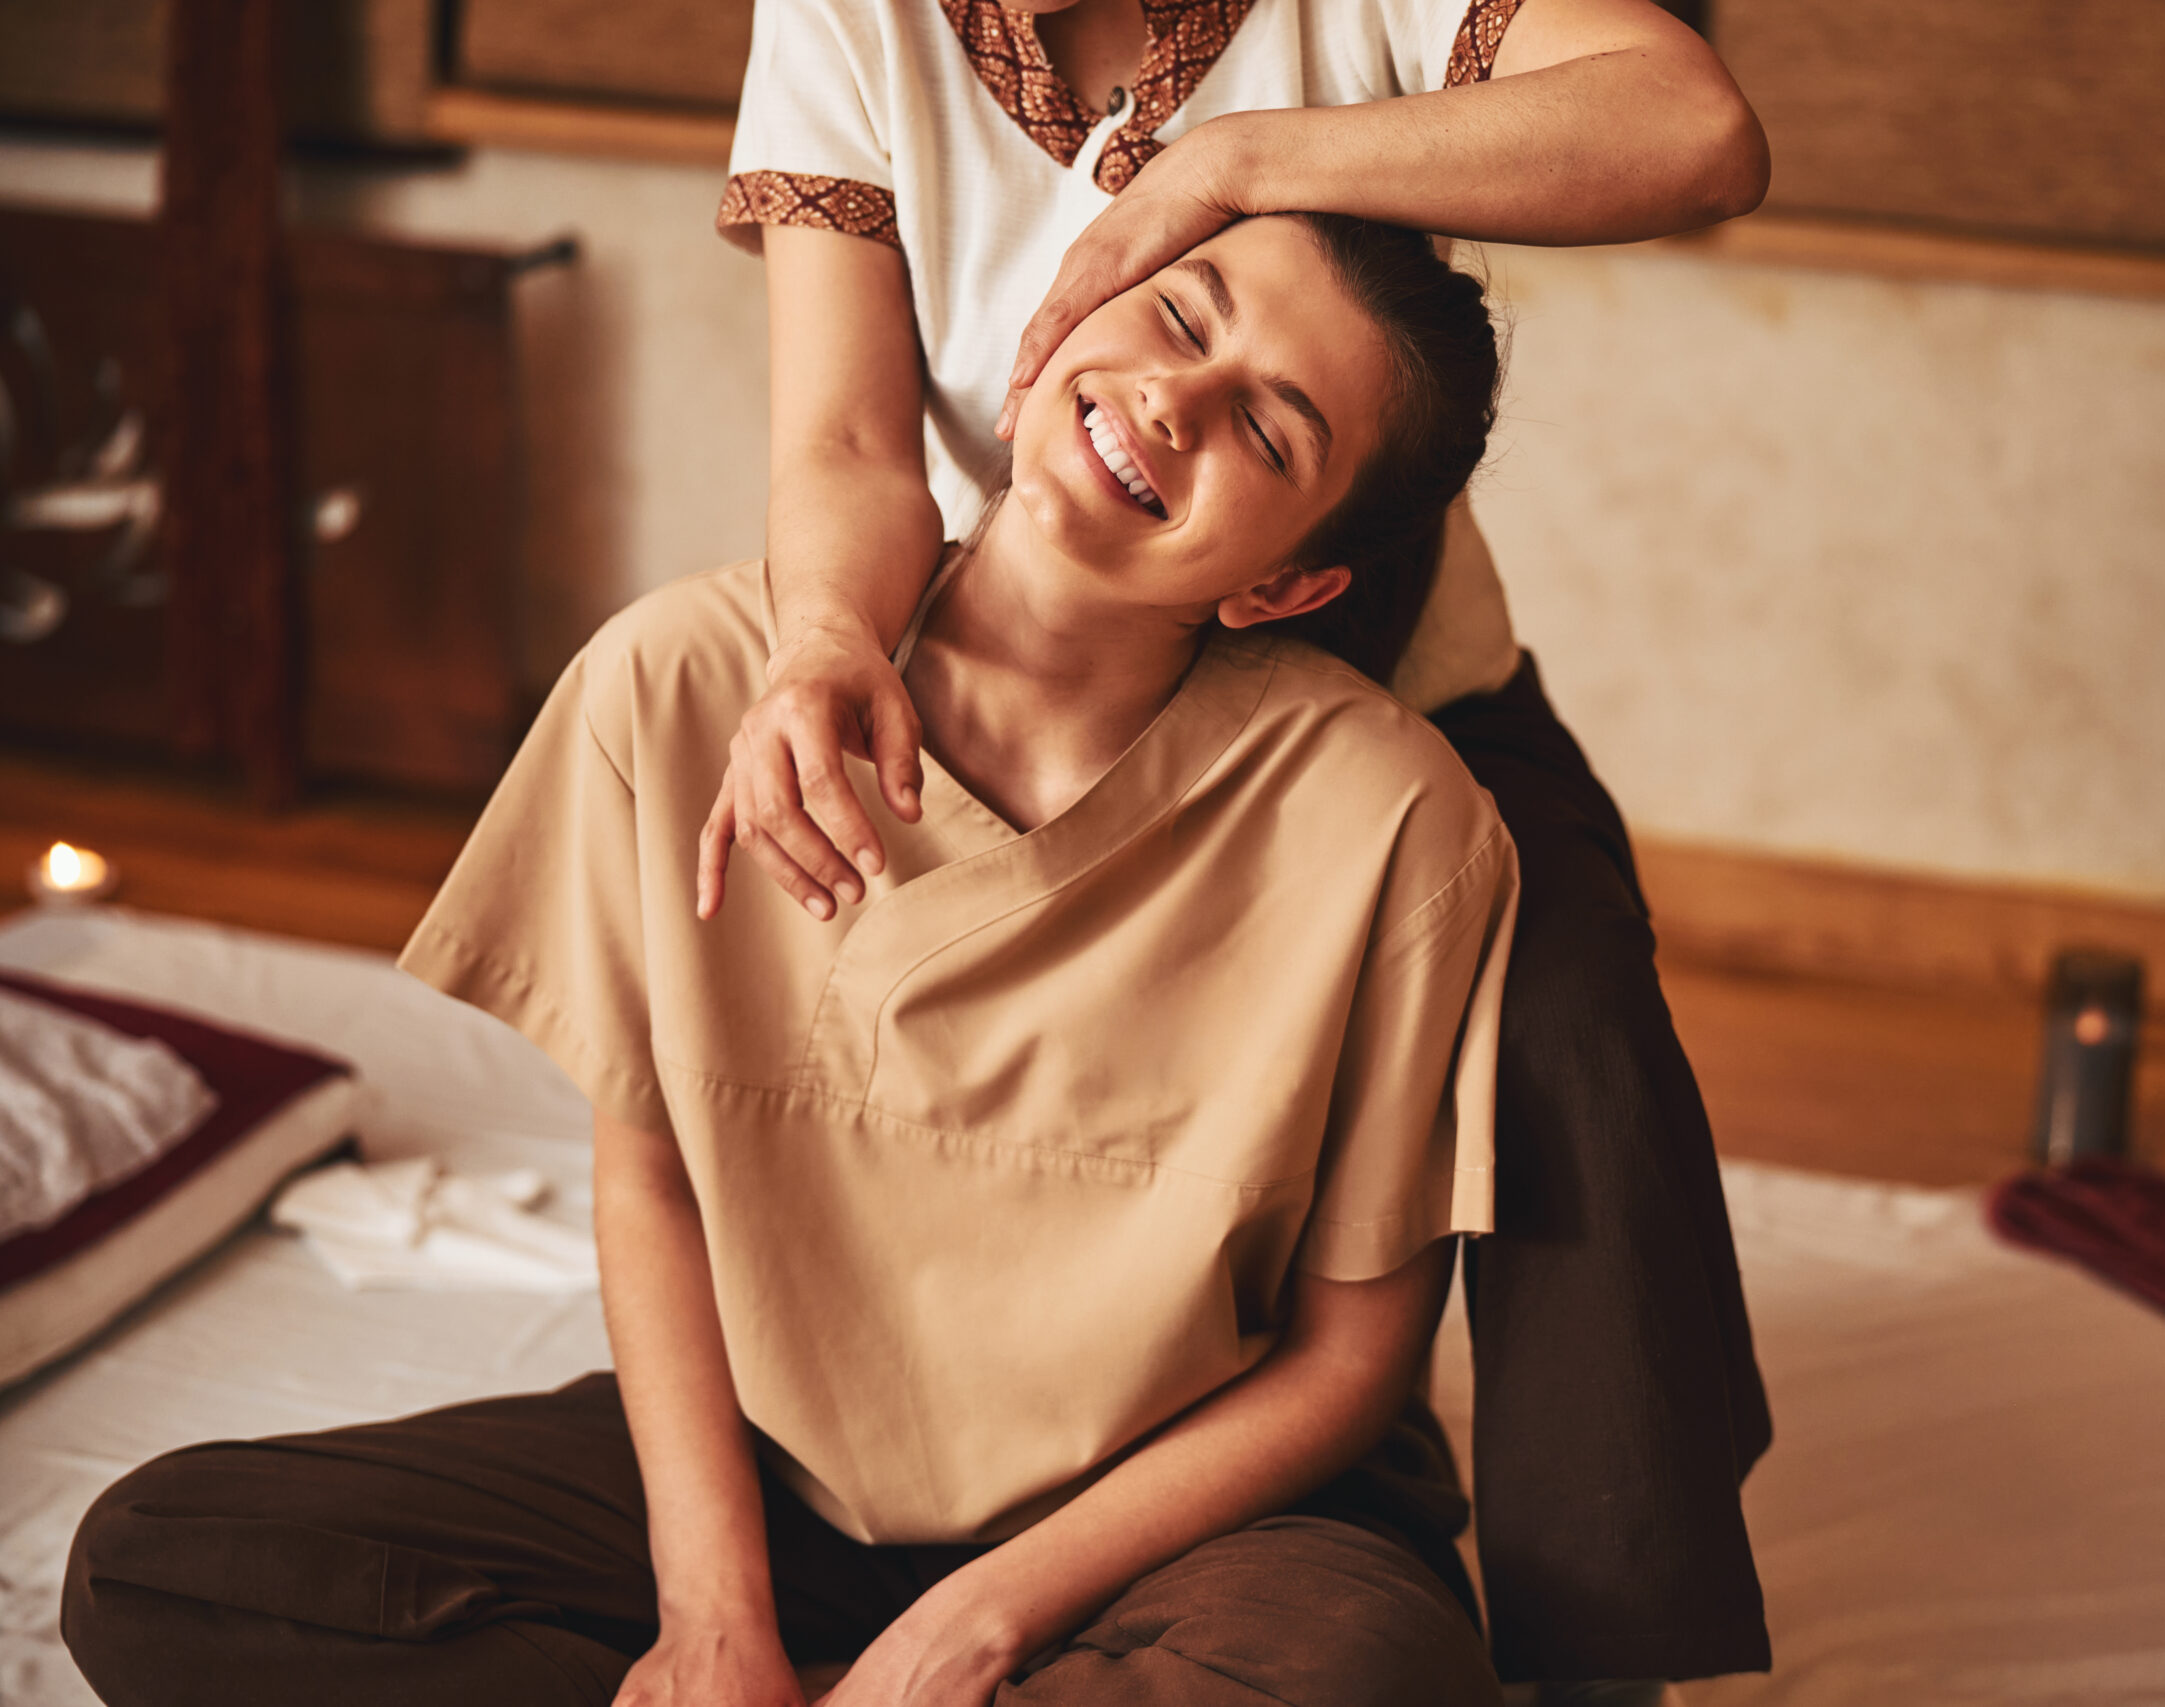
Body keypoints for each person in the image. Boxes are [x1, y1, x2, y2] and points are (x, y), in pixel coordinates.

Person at [64, 213, 1523, 1707]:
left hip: (1178, 1531)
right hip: (794, 1484)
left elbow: (1351, 1363)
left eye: (1269, 434)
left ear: (1282, 589)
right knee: (164, 1561)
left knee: (1372, 1677)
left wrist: (977, 1623)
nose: (1175, 399)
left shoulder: (1389, 820)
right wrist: (713, 1618)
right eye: (1181, 316)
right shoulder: (683, 679)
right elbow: (652, 1177)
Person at [707, 0, 1773, 1685]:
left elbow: (1694, 130)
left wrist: (1240, 163)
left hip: (1385, 687)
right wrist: (828, 635)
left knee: (1567, 1021)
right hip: (1037, 685)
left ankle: (1595, 1658)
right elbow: (846, 436)